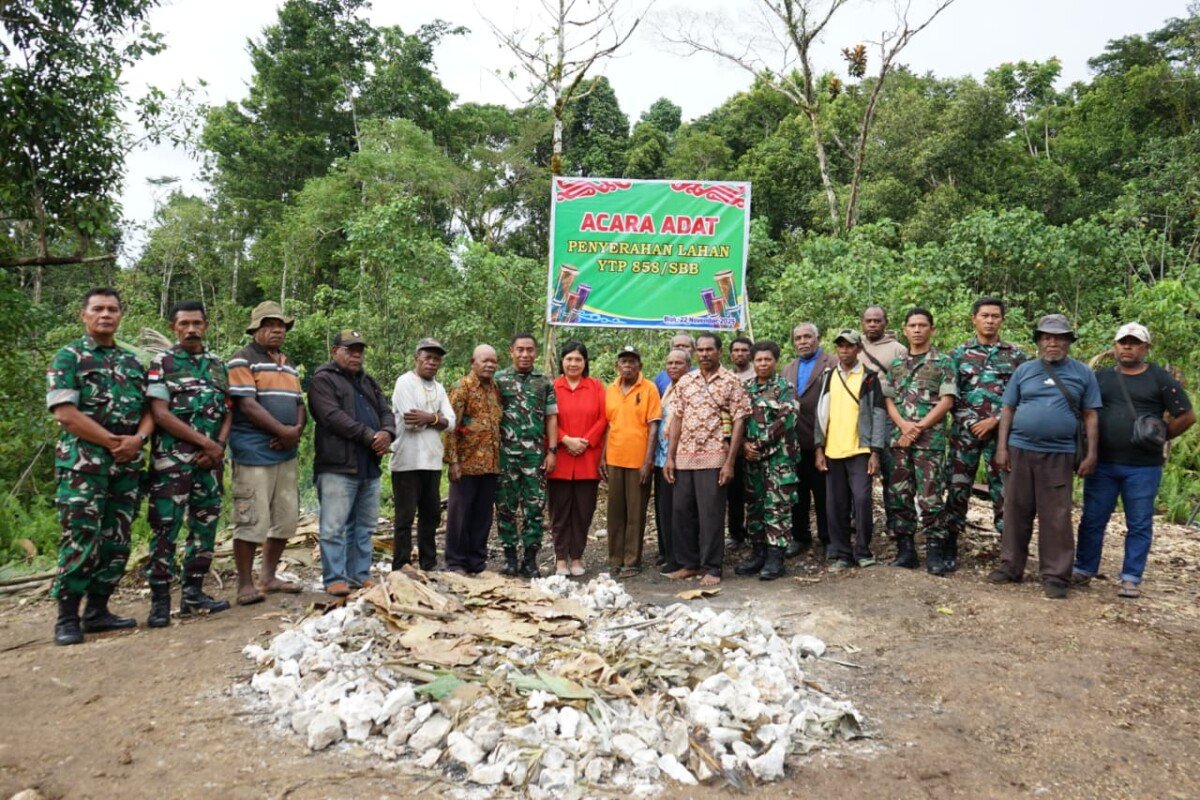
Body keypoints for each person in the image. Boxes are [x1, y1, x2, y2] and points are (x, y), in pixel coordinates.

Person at [46, 288, 153, 646]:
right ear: (84, 315)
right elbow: (65, 413)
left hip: (126, 464)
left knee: (116, 538)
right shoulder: (69, 357)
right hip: (84, 465)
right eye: (98, 309)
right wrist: (112, 443)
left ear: (121, 315)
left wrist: (137, 440)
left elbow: (150, 410)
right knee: (81, 537)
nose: (105, 314)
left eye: (112, 309)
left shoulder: (132, 362)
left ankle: (97, 611)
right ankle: (67, 617)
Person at [1073, 323, 1194, 598]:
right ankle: (1083, 568)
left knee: (1139, 522)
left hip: (1143, 466)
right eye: (1122, 342)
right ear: (1115, 346)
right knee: (1092, 519)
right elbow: (1085, 412)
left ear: (1146, 347)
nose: (1127, 346)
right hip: (1102, 463)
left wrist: (1160, 436)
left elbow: (1187, 415)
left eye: (1134, 342)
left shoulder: (1160, 378)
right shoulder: (1101, 377)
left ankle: (1131, 577)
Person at [990, 314, 1100, 599]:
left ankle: (1055, 575)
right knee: (1016, 509)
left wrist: (1091, 454)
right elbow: (1008, 409)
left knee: (1056, 516)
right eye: (1047, 338)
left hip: (1059, 453)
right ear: (1039, 341)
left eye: (1059, 338)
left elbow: (1090, 415)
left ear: (1068, 342)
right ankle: (1011, 566)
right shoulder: (1025, 370)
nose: (1053, 343)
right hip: (1020, 449)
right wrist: (1002, 448)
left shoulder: (1082, 373)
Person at [144, 300, 232, 628]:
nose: (191, 329)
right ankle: (160, 601)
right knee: (165, 528)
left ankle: (193, 593)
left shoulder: (217, 364)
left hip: (210, 463)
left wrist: (218, 445)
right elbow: (160, 413)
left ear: (205, 326)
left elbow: (228, 410)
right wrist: (206, 443)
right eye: (184, 324)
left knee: (204, 525)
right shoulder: (162, 363)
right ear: (174, 328)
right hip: (172, 462)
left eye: (197, 323)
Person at [226, 301, 306, 605]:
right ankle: (245, 584)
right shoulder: (242, 359)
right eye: (269, 325)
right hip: (254, 452)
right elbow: (247, 405)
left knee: (285, 519)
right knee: (250, 519)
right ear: (256, 329)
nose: (277, 330)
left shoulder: (288, 363)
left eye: (281, 326)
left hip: (285, 452)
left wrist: (295, 432)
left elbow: (299, 403)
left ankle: (268, 576)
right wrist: (282, 432)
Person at [309, 330, 396, 596]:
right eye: (350, 350)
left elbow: (386, 411)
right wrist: (370, 436)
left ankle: (359, 574)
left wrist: (387, 433)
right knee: (334, 526)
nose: (356, 355)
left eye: (359, 351)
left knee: (364, 526)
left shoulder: (368, 381)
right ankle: (335, 578)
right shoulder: (323, 380)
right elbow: (332, 417)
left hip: (368, 465)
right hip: (337, 465)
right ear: (335, 351)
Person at [944, 297, 1027, 571]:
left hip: (1002, 437)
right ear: (974, 319)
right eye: (984, 316)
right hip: (964, 435)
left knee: (1004, 491)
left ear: (1002, 320)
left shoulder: (1016, 356)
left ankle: (1009, 551)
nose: (990, 321)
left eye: (995, 316)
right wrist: (971, 422)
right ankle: (949, 545)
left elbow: (1023, 396)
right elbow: (950, 395)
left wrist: (994, 421)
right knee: (957, 488)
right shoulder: (958, 355)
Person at [664, 333, 750, 587]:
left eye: (709, 349)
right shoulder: (686, 381)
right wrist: (670, 457)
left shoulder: (731, 381)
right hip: (684, 457)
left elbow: (739, 420)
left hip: (714, 458)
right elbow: (677, 418)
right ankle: (689, 563)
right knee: (682, 512)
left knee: (711, 515)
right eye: (700, 350)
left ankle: (712, 566)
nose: (704, 354)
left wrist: (729, 462)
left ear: (719, 352)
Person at [883, 308, 957, 574]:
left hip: (929, 442)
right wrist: (904, 426)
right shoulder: (896, 364)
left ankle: (935, 552)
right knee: (899, 495)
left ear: (931, 329)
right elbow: (888, 399)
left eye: (922, 325)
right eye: (912, 325)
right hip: (900, 441)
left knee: (930, 497)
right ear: (904, 330)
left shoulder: (944, 362)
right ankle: (906, 551)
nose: (917, 330)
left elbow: (947, 401)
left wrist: (919, 427)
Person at [814, 329, 887, 571]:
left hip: (860, 450)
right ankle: (842, 553)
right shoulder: (828, 377)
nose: (844, 350)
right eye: (841, 346)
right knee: (836, 505)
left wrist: (875, 451)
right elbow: (820, 414)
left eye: (849, 346)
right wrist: (819, 448)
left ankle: (863, 551)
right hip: (833, 451)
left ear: (858, 349)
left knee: (862, 500)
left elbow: (878, 413)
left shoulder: (869, 377)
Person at [495, 333, 559, 578]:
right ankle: (510, 558)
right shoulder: (499, 380)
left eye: (529, 350)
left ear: (536, 352)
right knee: (505, 506)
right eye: (520, 349)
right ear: (511, 351)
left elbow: (551, 417)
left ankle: (530, 560)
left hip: (534, 455)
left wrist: (552, 451)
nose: (525, 354)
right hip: (505, 455)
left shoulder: (544, 382)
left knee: (534, 508)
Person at [734, 340, 799, 580]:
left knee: (777, 506)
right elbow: (737, 419)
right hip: (752, 460)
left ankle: (775, 558)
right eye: (759, 360)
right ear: (753, 362)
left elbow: (786, 420)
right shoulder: (746, 388)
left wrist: (758, 444)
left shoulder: (785, 387)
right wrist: (743, 445)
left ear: (776, 361)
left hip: (779, 459)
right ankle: (758, 553)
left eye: (767, 359)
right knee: (755, 506)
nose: (763, 364)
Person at [390, 338, 454, 572]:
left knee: (431, 515)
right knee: (405, 517)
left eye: (436, 359)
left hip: (432, 461)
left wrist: (430, 418)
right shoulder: (404, 382)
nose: (432, 362)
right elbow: (411, 422)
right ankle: (401, 564)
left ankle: (429, 562)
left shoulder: (439, 388)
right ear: (417, 358)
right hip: (406, 460)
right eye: (427, 357)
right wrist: (437, 419)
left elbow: (452, 422)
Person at [547, 341, 606, 577]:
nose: (573, 363)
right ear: (562, 361)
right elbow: (546, 418)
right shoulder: (552, 386)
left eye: (578, 359)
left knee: (583, 511)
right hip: (559, 458)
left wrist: (586, 441)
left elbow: (604, 417)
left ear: (585, 362)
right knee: (559, 511)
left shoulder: (595, 386)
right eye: (569, 359)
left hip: (587, 459)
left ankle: (577, 557)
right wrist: (565, 439)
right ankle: (561, 558)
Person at [444, 345, 503, 575]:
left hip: (490, 463)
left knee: (483, 515)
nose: (490, 365)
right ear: (473, 362)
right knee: (460, 514)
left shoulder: (494, 389)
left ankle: (476, 561)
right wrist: (453, 462)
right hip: (466, 463)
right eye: (485, 360)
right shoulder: (462, 388)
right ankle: (455, 561)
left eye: (493, 361)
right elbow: (451, 427)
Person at [603, 345, 662, 578]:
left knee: (635, 513)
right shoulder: (611, 389)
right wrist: (603, 457)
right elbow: (609, 425)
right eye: (624, 361)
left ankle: (631, 561)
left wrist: (648, 461)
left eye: (632, 362)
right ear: (617, 365)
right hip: (615, 458)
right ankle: (615, 559)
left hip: (638, 460)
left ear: (640, 365)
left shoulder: (649, 388)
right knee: (615, 512)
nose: (627, 365)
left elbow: (654, 426)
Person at [780, 322, 837, 559]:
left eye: (807, 337)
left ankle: (828, 538)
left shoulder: (832, 363)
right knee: (798, 494)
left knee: (824, 494)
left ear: (817, 338)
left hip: (824, 441)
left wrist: (823, 442)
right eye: (798, 338)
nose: (803, 342)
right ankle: (800, 536)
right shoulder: (788, 368)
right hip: (794, 443)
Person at [858, 305, 908, 533]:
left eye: (877, 321)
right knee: (858, 470)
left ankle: (894, 522)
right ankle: (857, 520)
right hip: (858, 417)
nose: (872, 324)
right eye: (868, 320)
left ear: (885, 323)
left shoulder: (898, 349)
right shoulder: (854, 346)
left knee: (891, 470)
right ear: (862, 322)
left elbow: (904, 385)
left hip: (887, 416)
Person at [653, 349, 691, 574]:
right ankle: (669, 554)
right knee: (665, 508)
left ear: (688, 366)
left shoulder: (690, 388)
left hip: (680, 458)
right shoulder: (668, 388)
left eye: (678, 363)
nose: (673, 367)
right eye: (670, 363)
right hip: (661, 458)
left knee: (680, 510)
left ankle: (681, 557)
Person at [726, 335, 754, 546]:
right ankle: (736, 533)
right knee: (733, 491)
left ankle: (756, 532)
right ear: (730, 355)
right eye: (736, 350)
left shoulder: (759, 374)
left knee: (755, 490)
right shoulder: (726, 378)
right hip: (732, 443)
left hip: (755, 443)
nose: (740, 354)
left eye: (744, 350)